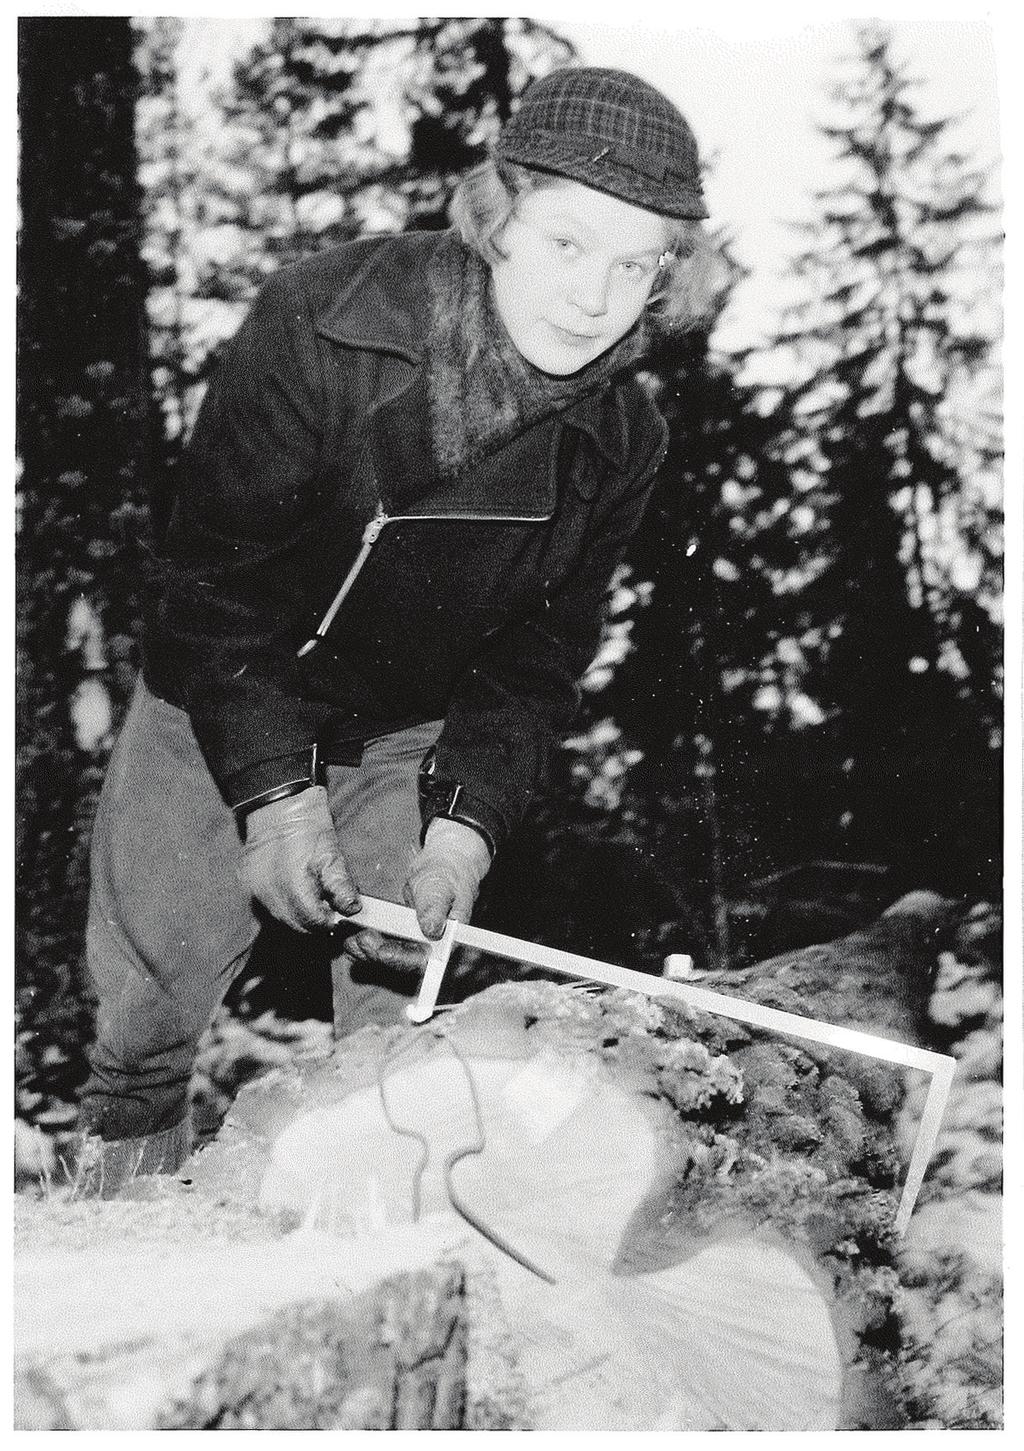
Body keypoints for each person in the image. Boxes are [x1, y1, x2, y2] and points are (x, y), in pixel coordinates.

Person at [76, 65, 715, 1190]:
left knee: (398, 1027)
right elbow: (217, 581)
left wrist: (463, 825)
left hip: (405, 731)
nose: (592, 296)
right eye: (568, 243)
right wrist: (277, 796)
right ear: (497, 214)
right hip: (218, 693)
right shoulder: (323, 324)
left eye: (634, 264)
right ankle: (113, 1251)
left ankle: (377, 1264)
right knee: (147, 1020)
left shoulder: (625, 434)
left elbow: (536, 658)